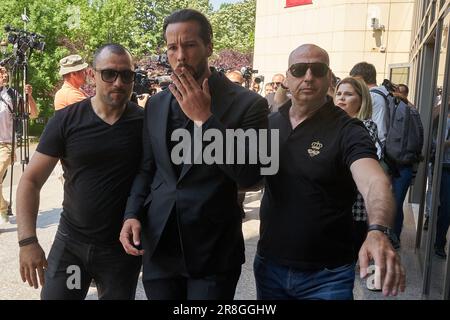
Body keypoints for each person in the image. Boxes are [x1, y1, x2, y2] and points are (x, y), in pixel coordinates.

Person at [120, 9, 268, 300]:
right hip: (160, 244)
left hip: (212, 249)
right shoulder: (156, 104)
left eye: (189, 45)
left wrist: (205, 120)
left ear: (209, 47)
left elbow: (253, 175)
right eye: (172, 47)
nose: (180, 56)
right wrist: (132, 214)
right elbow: (147, 169)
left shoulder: (250, 104)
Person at [254, 44, 405, 300]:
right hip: (269, 266)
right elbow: (244, 177)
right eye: (299, 69)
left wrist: (378, 229)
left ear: (329, 78)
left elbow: (373, 181)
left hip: (328, 275)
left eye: (318, 69)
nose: (309, 77)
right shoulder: (269, 124)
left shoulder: (348, 129)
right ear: (287, 78)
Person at [16, 44, 143, 299]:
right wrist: (27, 241)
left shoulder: (145, 123)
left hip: (120, 252)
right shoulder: (66, 120)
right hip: (73, 247)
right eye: (109, 74)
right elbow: (30, 180)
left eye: (126, 75)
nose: (118, 82)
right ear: (93, 75)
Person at [334, 77, 380, 259]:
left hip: (354, 206)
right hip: (331, 206)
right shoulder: (330, 124)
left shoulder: (366, 126)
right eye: (338, 94)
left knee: (347, 257)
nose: (341, 98)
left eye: (348, 94)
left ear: (361, 100)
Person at [0, 66, 38, 224]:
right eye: (0, 72)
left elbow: (33, 114)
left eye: (4, 72)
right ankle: (3, 205)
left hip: (6, 145)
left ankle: (2, 210)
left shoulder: (11, 95)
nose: (4, 74)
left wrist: (28, 96)